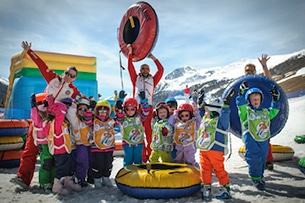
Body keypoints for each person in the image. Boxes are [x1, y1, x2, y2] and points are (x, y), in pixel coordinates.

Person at [10, 41, 82, 190]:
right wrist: (29, 51)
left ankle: (53, 181)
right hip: (39, 116)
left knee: (52, 152)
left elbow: (83, 100)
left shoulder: (73, 90)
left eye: (72, 75)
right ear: (64, 72)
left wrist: (92, 104)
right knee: (31, 147)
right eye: (67, 73)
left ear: (74, 78)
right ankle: (23, 178)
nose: (68, 76)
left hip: (53, 122)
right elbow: (41, 64)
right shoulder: (53, 79)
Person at [236, 81, 280, 190]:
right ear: (249, 100)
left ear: (261, 100)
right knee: (254, 158)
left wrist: (275, 99)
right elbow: (240, 104)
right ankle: (255, 178)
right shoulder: (246, 112)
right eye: (253, 99)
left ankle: (260, 176)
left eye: (257, 99)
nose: (256, 101)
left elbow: (274, 111)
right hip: (251, 138)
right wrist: (241, 93)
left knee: (262, 157)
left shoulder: (265, 112)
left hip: (263, 138)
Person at [127, 44, 164, 162]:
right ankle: (142, 156)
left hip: (148, 108)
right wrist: (129, 53)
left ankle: (151, 155)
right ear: (140, 70)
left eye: (147, 68)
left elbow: (161, 70)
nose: (144, 70)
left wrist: (153, 58)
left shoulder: (153, 80)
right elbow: (129, 67)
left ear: (149, 71)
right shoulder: (135, 79)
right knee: (139, 132)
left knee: (149, 132)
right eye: (142, 68)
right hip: (136, 109)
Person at [197, 89, 235, 201]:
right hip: (204, 150)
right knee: (204, 169)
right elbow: (200, 114)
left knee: (219, 169)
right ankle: (206, 186)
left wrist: (226, 105)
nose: (205, 112)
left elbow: (224, 114)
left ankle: (225, 188)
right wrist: (200, 104)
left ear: (214, 110)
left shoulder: (220, 121)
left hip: (216, 150)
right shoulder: (205, 119)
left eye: (207, 110)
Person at [46, 97, 82, 195]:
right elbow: (59, 115)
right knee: (61, 168)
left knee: (69, 166)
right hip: (59, 150)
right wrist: (52, 105)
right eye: (63, 112)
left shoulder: (62, 123)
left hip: (65, 149)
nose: (64, 114)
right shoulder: (56, 122)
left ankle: (68, 182)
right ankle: (56, 186)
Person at [244, 53, 274, 170]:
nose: (249, 71)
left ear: (255, 71)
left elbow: (270, 81)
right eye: (247, 70)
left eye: (251, 69)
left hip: (261, 113)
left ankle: (268, 160)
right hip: (249, 114)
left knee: (265, 136)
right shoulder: (243, 83)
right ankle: (253, 160)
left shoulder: (259, 81)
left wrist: (264, 66)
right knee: (249, 136)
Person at [86, 100, 116, 188]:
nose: (102, 113)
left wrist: (119, 110)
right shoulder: (93, 121)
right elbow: (87, 120)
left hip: (109, 147)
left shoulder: (111, 121)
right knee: (98, 163)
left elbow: (119, 120)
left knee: (108, 163)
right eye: (100, 111)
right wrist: (90, 109)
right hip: (97, 147)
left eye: (105, 111)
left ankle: (106, 177)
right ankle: (97, 178)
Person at [115, 96, 150, 166]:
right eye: (127, 109)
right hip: (127, 142)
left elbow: (146, 111)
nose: (130, 111)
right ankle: (127, 172)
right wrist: (120, 101)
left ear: (136, 109)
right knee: (128, 159)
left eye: (132, 109)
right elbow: (118, 113)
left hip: (139, 142)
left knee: (138, 160)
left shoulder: (139, 116)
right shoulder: (123, 118)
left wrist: (143, 102)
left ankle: (138, 174)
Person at [66, 97, 92, 187]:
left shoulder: (90, 120)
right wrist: (74, 105)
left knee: (91, 162)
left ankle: (90, 177)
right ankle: (80, 178)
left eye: (85, 109)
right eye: (80, 109)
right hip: (81, 144)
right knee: (82, 162)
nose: (82, 111)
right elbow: (70, 114)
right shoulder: (75, 120)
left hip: (91, 144)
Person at [168, 102, 201, 168]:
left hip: (190, 146)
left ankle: (195, 170)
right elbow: (170, 123)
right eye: (182, 116)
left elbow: (199, 121)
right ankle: (180, 172)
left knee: (189, 160)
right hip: (179, 145)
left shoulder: (193, 123)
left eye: (186, 115)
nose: (184, 117)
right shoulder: (177, 122)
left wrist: (196, 112)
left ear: (190, 115)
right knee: (178, 160)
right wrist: (175, 115)